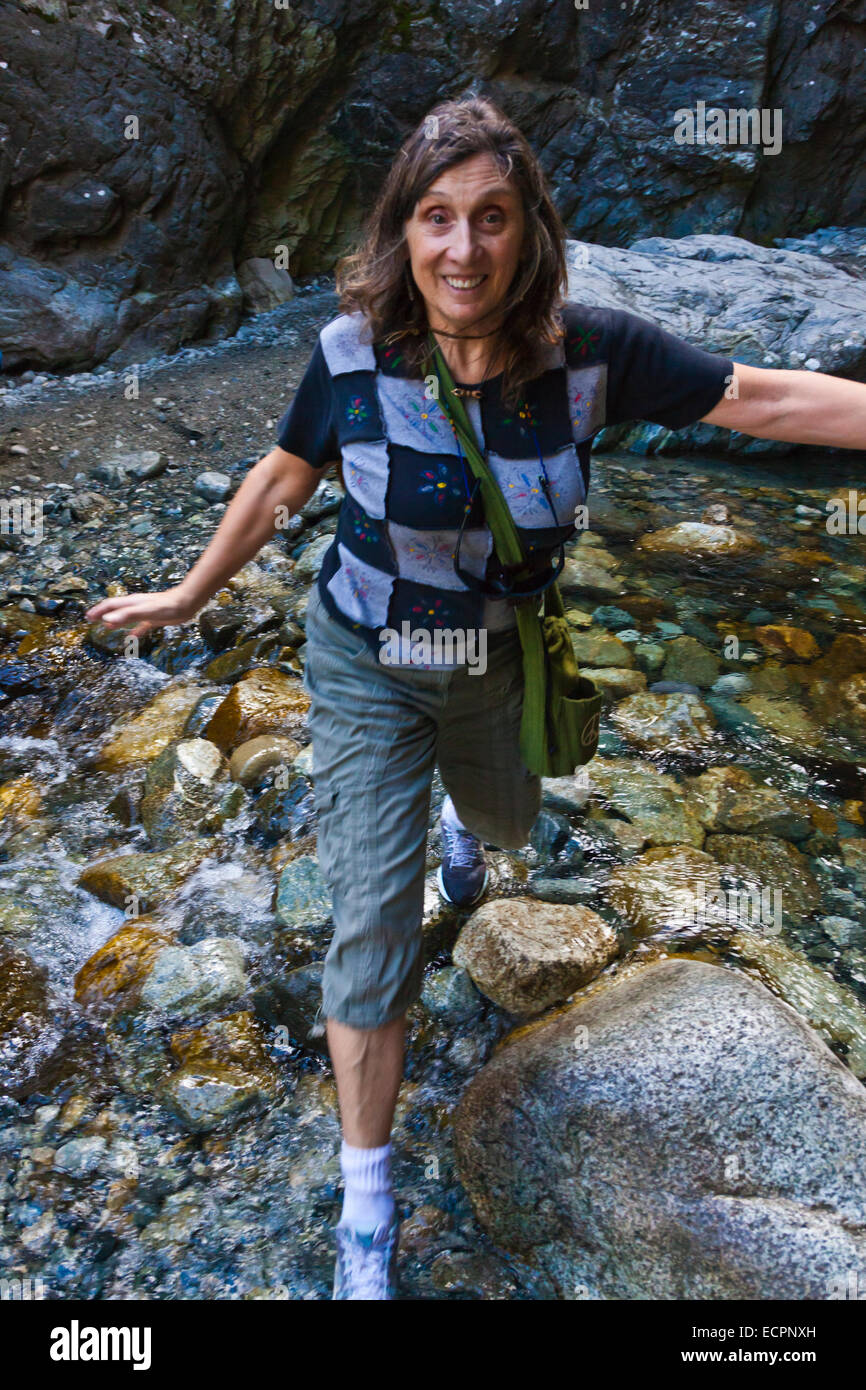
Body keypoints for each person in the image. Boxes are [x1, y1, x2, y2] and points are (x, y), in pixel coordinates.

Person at [86, 96, 866, 1300]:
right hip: (362, 660)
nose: (463, 249)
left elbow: (762, 400)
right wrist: (186, 596)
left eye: (490, 218)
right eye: (436, 218)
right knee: (373, 929)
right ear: (402, 231)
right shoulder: (352, 350)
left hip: (496, 662)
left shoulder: (593, 353)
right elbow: (283, 475)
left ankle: (465, 821)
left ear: (529, 231)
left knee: (503, 830)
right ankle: (365, 1203)